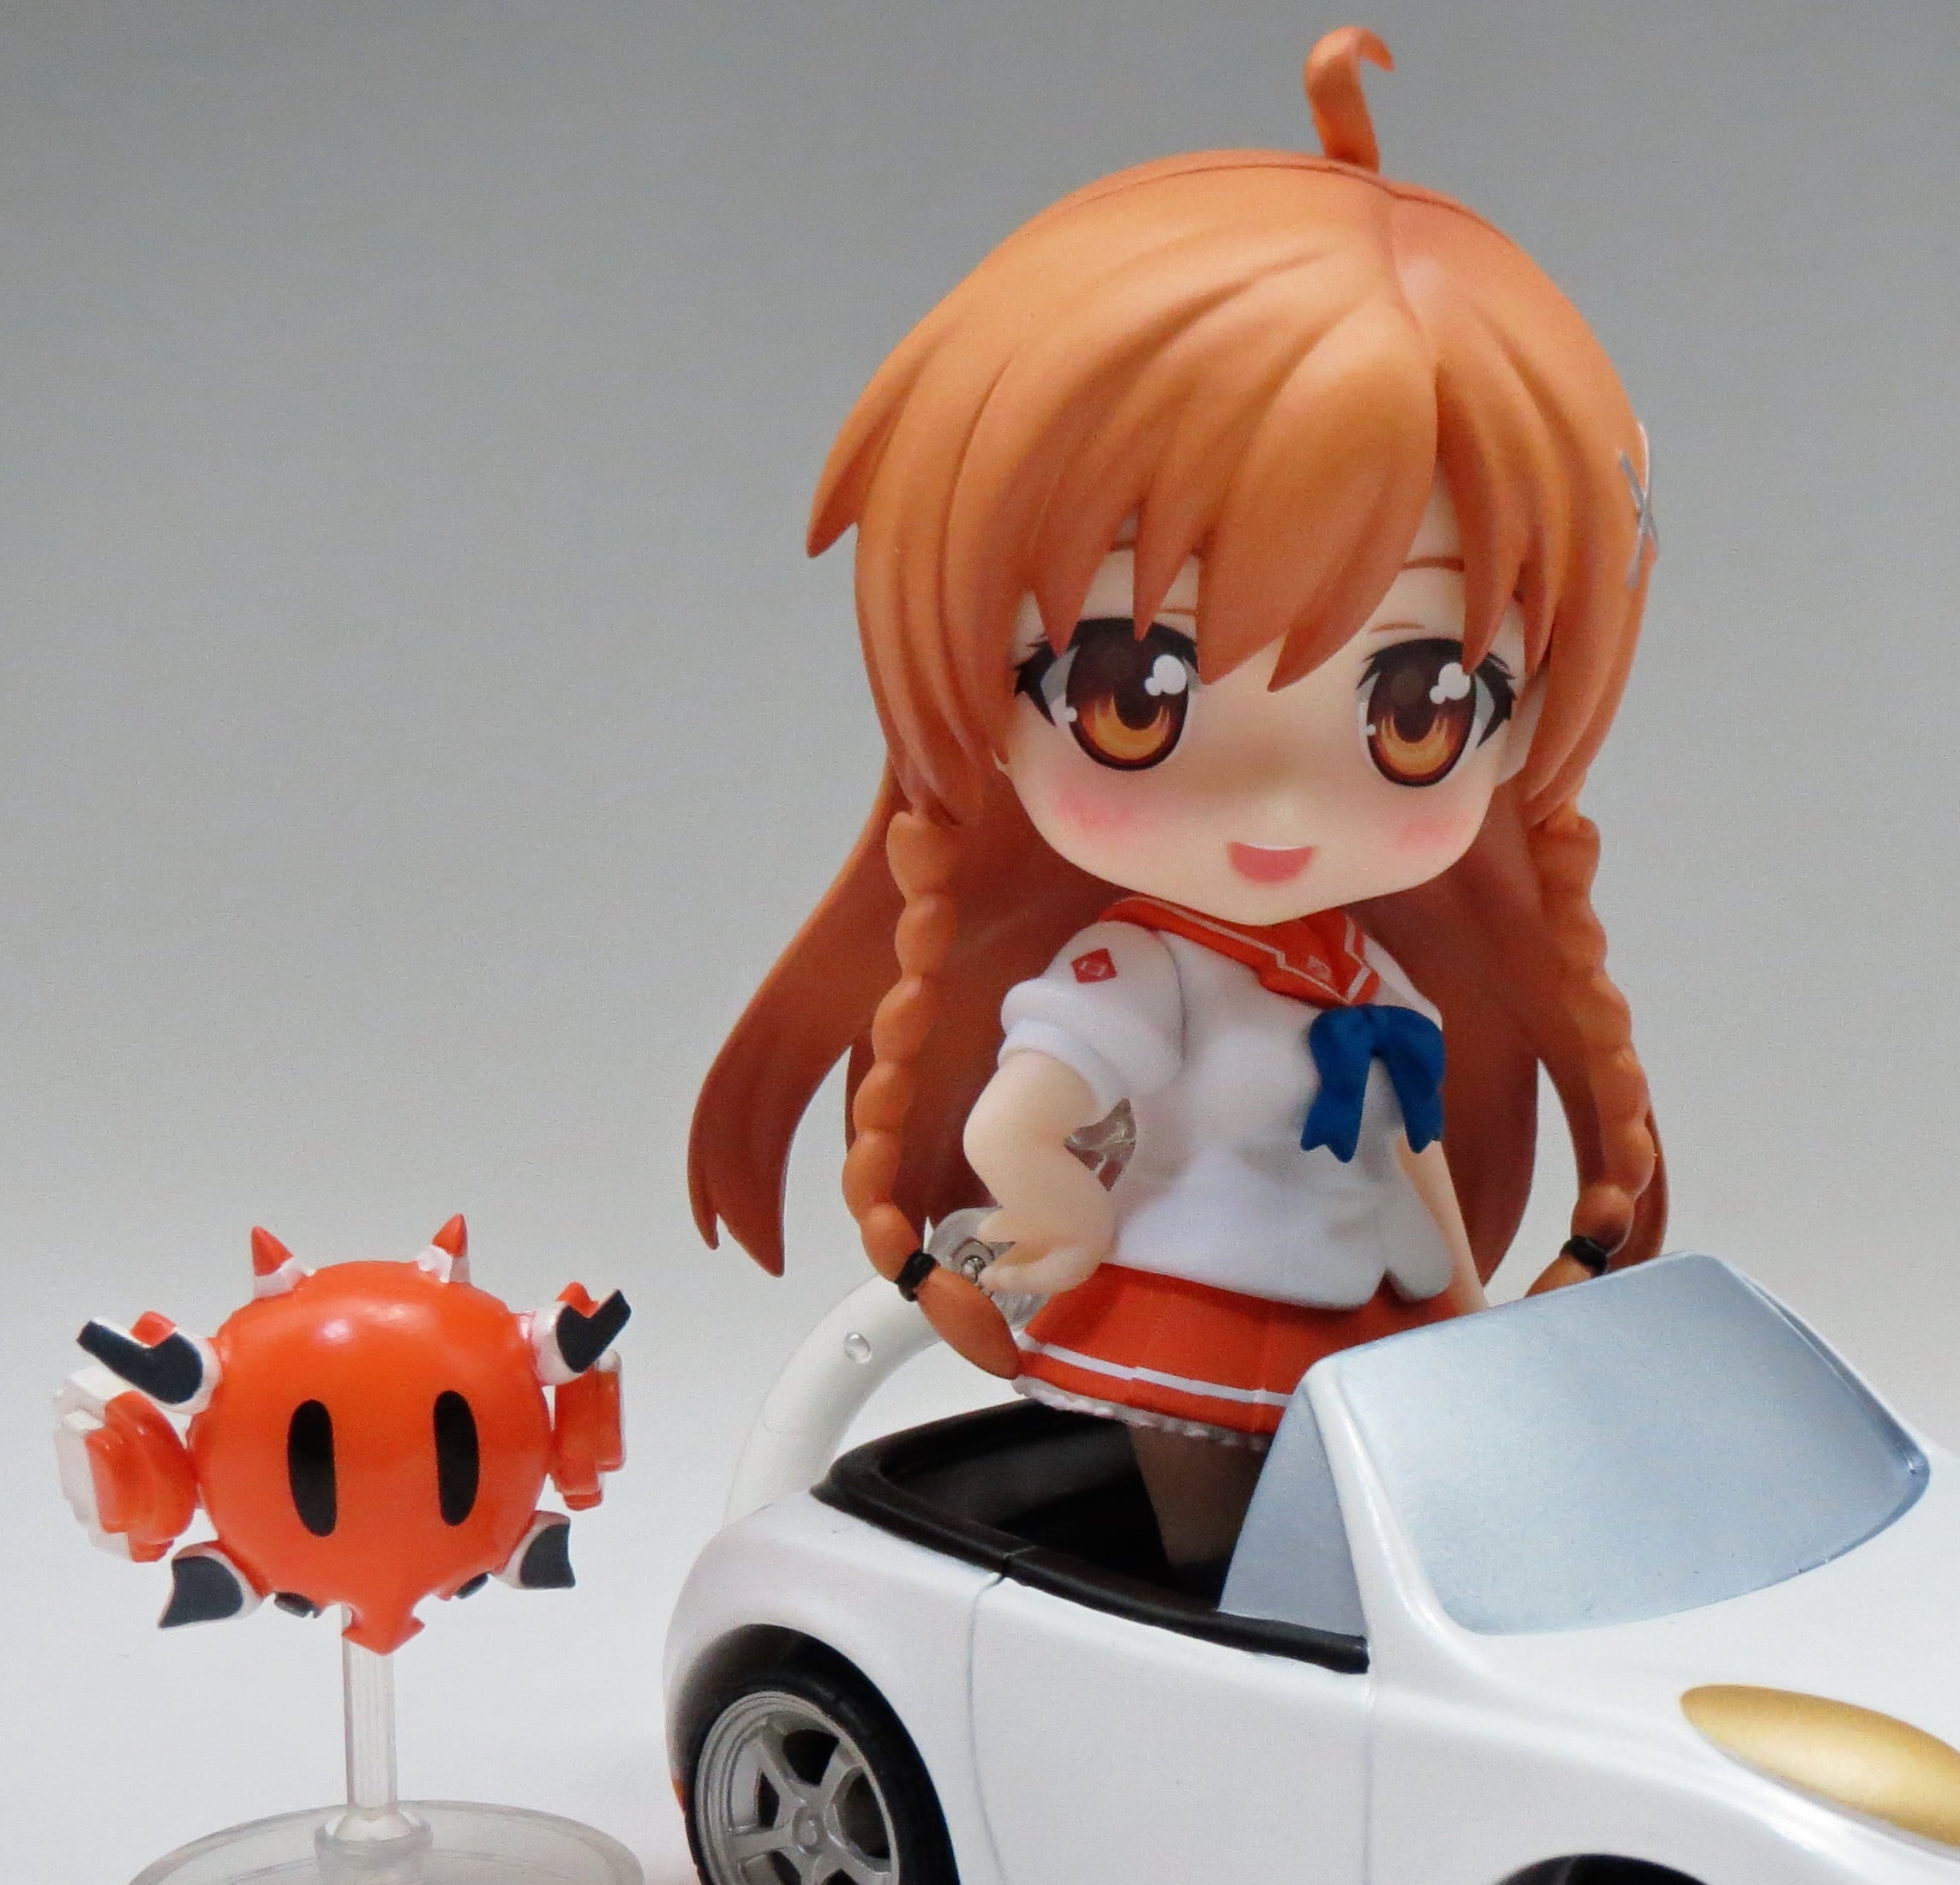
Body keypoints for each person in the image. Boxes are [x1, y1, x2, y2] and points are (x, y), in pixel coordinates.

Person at [689, 27, 1668, 1573]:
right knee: (1222, 1568)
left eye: (1416, 708)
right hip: (1196, 1311)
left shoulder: (1368, 974)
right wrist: (1064, 1224)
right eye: (1133, 693)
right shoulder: (1136, 969)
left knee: (1365, 1551)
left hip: (1367, 1319)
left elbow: (1409, 1136)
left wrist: (1469, 1305)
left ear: (1528, 716)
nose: (1274, 800)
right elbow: (1025, 1112)